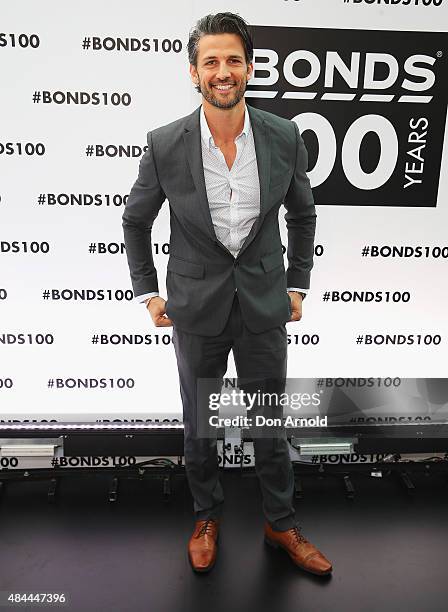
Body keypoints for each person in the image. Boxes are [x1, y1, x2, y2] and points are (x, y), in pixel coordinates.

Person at [122, 12, 332, 576]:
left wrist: (296, 284)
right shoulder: (165, 143)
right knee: (200, 424)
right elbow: (135, 220)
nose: (223, 71)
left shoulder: (284, 135)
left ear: (250, 67)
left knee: (268, 422)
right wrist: (149, 293)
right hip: (195, 308)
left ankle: (280, 522)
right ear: (193, 72)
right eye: (210, 61)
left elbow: (303, 213)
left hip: (263, 305)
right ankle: (207, 515)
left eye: (233, 60)